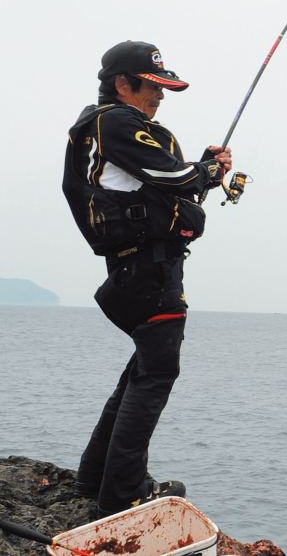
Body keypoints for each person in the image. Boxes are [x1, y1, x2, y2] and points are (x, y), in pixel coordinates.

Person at [62, 41, 232, 518]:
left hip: (135, 266)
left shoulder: (105, 127)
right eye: (152, 87)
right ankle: (123, 493)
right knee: (157, 371)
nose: (160, 96)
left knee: (143, 367)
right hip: (148, 269)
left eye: (163, 88)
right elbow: (174, 177)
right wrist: (206, 170)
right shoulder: (115, 121)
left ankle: (95, 476)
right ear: (123, 84)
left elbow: (163, 176)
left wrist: (202, 169)